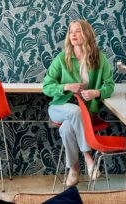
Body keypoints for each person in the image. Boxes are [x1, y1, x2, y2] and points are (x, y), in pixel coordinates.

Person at [43, 20, 115, 187]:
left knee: (67, 127)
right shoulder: (62, 59)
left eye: (78, 31)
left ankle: (74, 169)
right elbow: (46, 86)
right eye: (71, 32)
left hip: (86, 112)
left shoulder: (99, 59)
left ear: (87, 34)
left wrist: (96, 93)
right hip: (59, 107)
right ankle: (88, 157)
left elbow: (109, 85)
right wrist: (67, 86)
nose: (73, 35)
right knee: (74, 112)